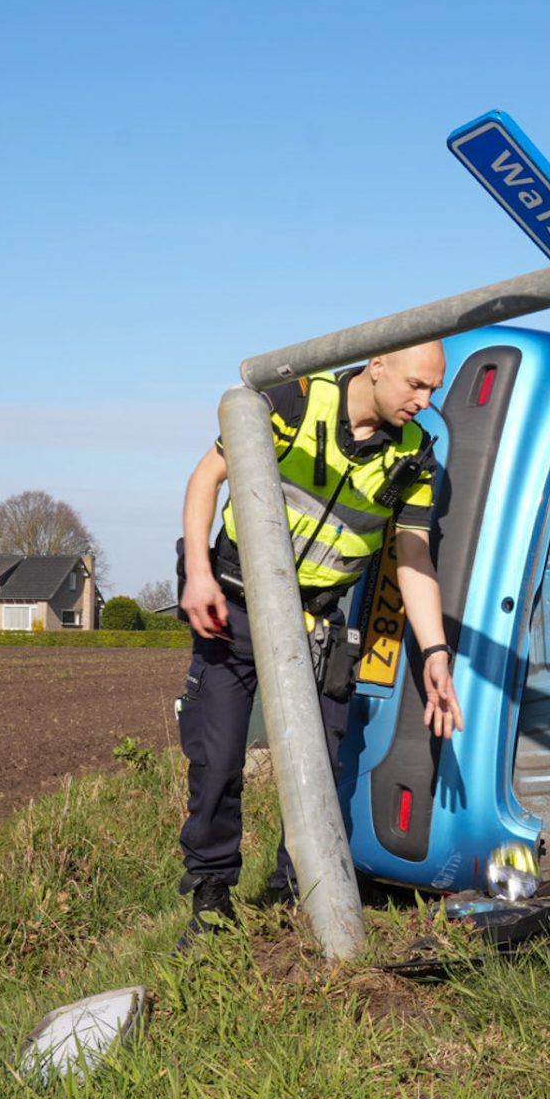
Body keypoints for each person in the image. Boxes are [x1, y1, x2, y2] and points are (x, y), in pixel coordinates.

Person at [174, 341, 463, 943]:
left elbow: (412, 557)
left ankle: (292, 900)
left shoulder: (415, 454)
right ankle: (211, 901)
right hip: (237, 604)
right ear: (376, 364)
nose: (425, 401)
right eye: (416, 385)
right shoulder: (296, 402)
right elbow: (207, 477)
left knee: (322, 768)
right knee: (218, 755)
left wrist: (435, 655)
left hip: (321, 621)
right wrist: (197, 572)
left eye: (433, 390)